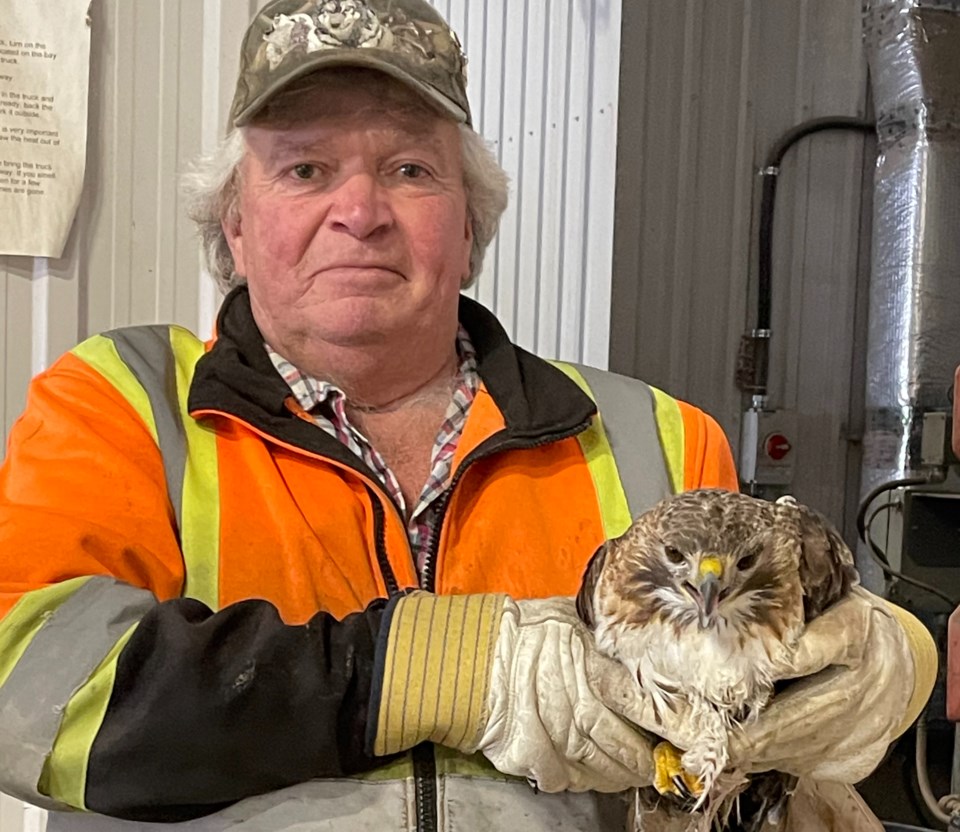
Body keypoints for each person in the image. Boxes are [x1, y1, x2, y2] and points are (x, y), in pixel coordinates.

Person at [0, 1, 937, 830]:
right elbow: (27, 695)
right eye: (305, 169)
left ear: (471, 226)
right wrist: (439, 673)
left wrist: (874, 675)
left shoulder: (662, 437)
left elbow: (744, 740)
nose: (360, 211)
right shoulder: (124, 405)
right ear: (235, 227)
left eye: (411, 169)